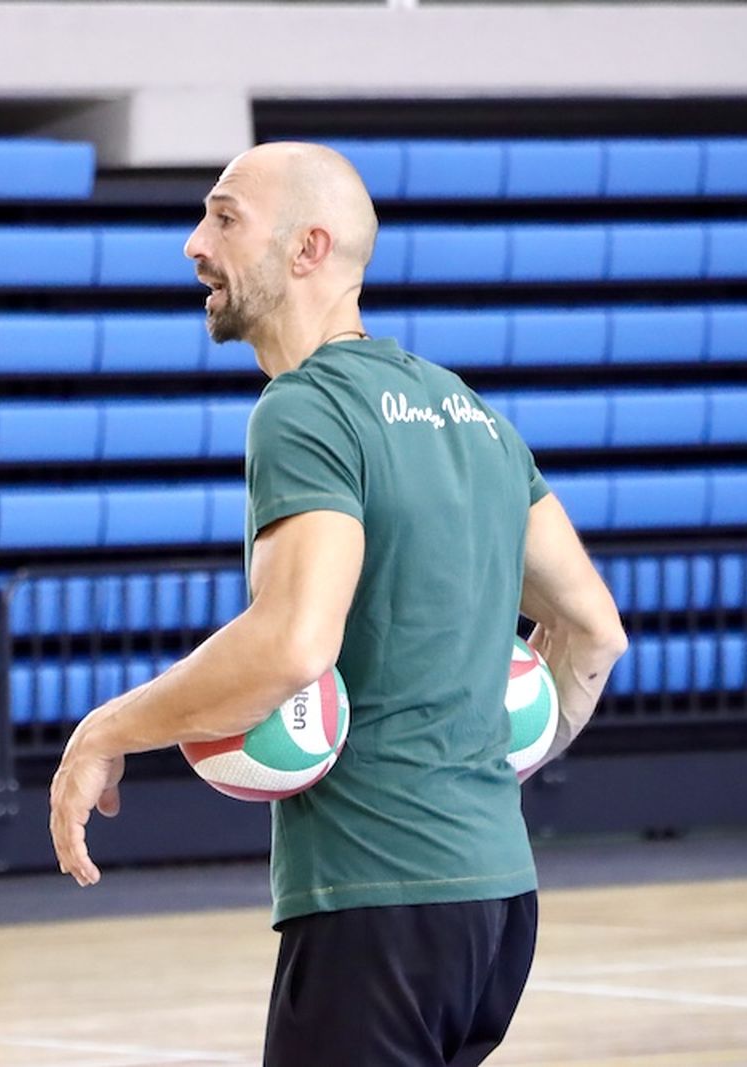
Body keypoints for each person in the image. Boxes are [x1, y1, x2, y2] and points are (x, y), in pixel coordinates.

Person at [49, 141, 628, 1067]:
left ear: (309, 248)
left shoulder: (306, 409)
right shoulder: (468, 412)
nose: (195, 243)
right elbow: (594, 629)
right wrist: (490, 763)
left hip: (377, 896)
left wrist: (105, 732)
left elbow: (290, 644)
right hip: (496, 899)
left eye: (225, 217)